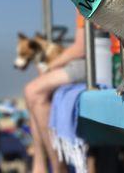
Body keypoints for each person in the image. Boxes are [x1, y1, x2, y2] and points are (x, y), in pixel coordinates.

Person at [24, 11, 86, 173]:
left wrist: (50, 67)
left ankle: (56, 166)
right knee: (32, 95)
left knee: (33, 91)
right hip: (89, 58)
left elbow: (81, 48)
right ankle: (40, 161)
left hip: (99, 59)